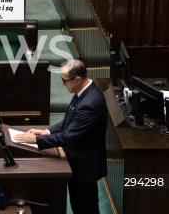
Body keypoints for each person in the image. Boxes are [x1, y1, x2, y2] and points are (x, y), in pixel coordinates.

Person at [14, 59, 107, 214]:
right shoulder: (82, 92)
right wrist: (48, 131)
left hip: (84, 165)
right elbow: (69, 120)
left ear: (77, 79)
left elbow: (68, 137)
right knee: (78, 204)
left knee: (85, 208)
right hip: (78, 160)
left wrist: (36, 140)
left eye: (65, 81)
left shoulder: (90, 104)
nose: (63, 85)